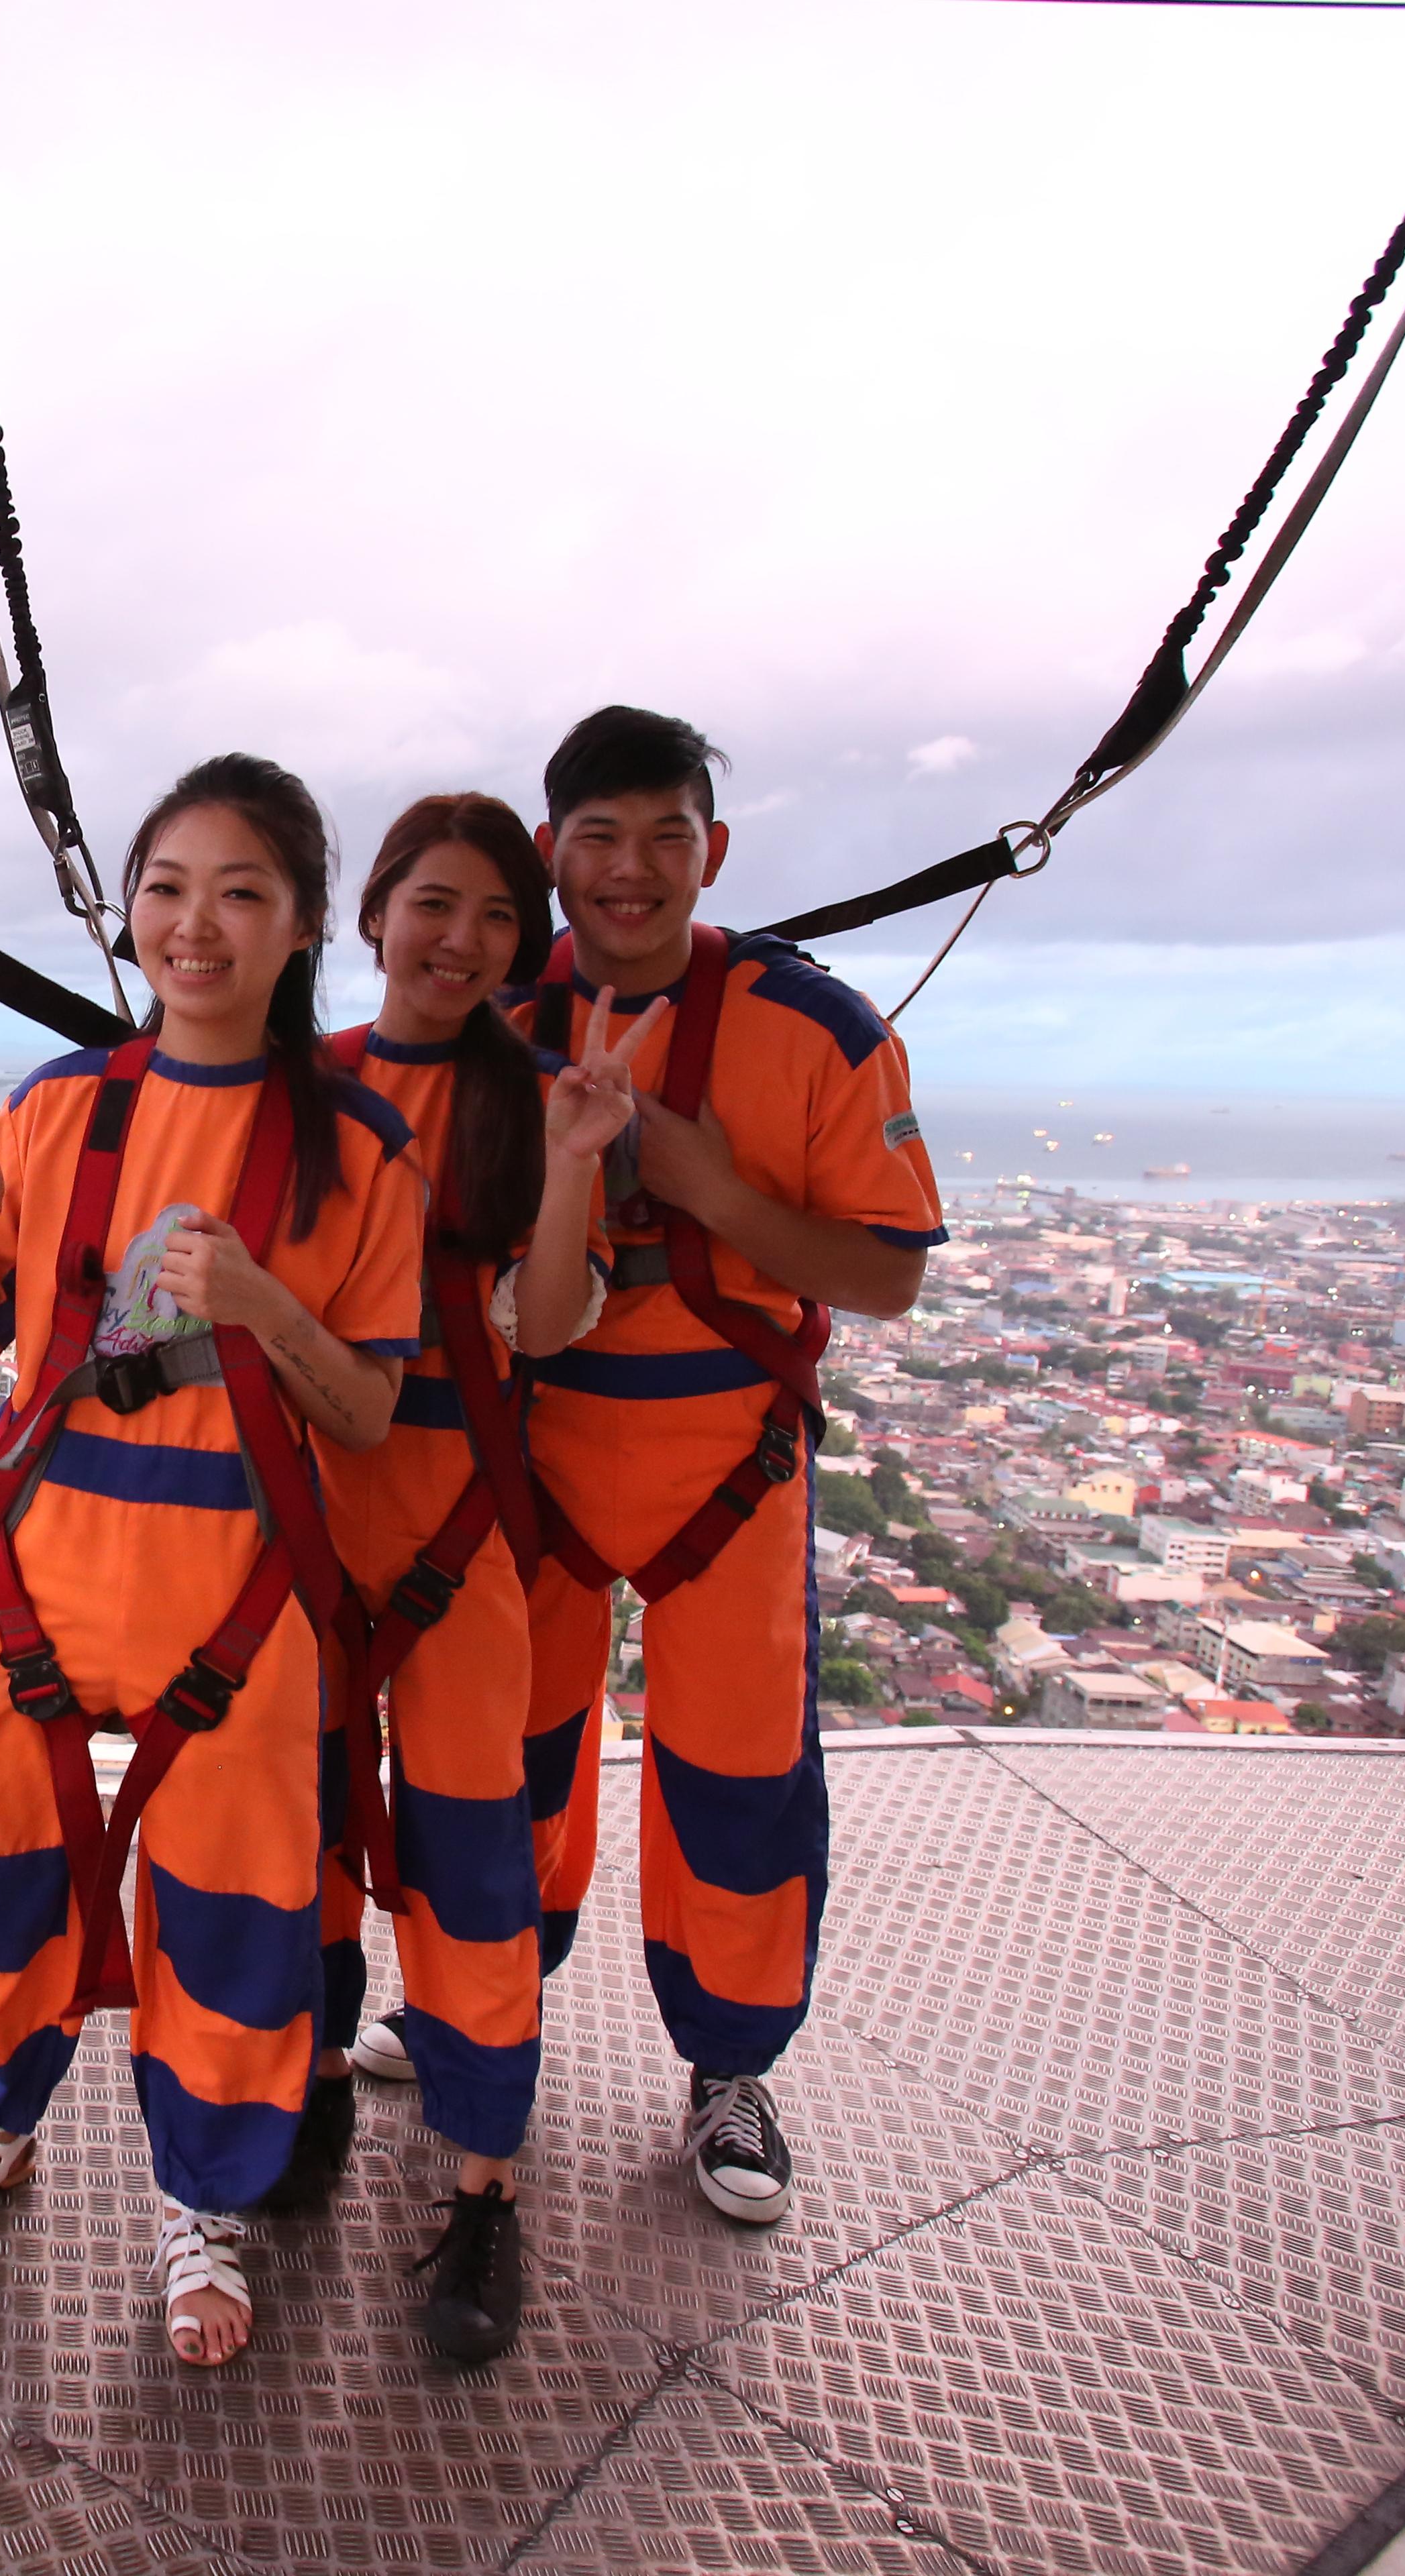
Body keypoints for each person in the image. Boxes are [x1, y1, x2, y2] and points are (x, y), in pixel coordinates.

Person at [0, 752, 424, 2369]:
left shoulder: (355, 1155)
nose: (197, 926)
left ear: (304, 925)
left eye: (242, 893)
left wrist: (259, 1306)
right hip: (40, 1564)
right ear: (131, 910)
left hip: (240, 1586)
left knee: (237, 1908)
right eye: (169, 889)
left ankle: (207, 2203)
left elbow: (373, 1410)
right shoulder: (58, 1112)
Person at [486, 705, 942, 2227]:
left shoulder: (814, 1032)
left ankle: (730, 2066)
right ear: (550, 854)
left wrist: (702, 1182)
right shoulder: (486, 1012)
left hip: (725, 1457)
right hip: (530, 1440)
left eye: (662, 838)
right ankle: (485, 2015)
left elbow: (884, 1278)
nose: (629, 872)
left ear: (713, 852)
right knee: (501, 1764)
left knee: (737, 1782)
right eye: (597, 840)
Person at [302, 794, 656, 2365]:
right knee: (296, 1834)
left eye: (499, 918)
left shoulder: (534, 1098)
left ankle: (484, 2188)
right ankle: (303, 2087)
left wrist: (580, 1158)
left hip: (456, 1527)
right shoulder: (298, 1088)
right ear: (375, 915)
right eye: (434, 906)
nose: (461, 942)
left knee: (475, 1864)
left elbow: (552, 1317)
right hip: (302, 1519)